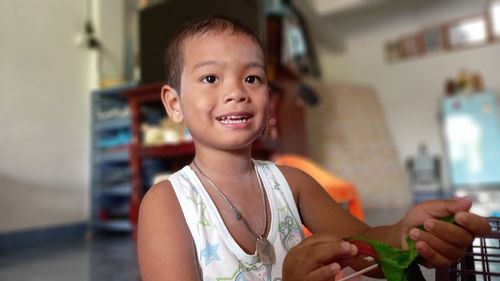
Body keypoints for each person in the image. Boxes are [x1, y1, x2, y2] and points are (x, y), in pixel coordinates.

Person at [137, 16, 491, 281]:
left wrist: (407, 235)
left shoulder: (291, 184)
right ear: (174, 103)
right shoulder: (167, 205)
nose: (237, 93)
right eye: (211, 78)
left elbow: (364, 247)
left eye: (252, 78)